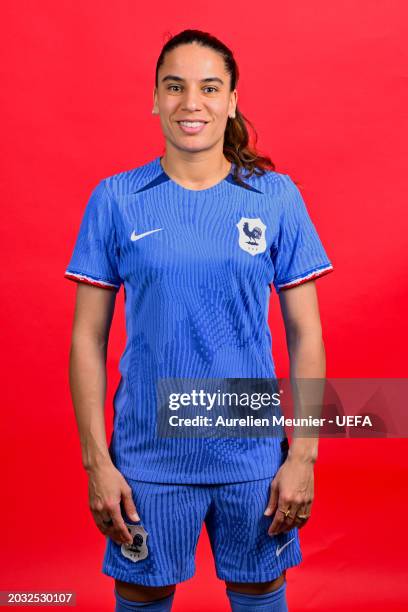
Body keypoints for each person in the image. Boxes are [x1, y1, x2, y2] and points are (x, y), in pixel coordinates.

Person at [65, 29, 334, 612]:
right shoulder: (116, 199)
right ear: (155, 98)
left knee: (261, 592)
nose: (192, 103)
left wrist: (302, 455)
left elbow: (306, 333)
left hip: (251, 456)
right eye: (175, 87)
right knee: (142, 591)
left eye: (210, 88)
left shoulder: (275, 197)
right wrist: (97, 460)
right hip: (148, 458)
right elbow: (88, 338)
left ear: (233, 99)